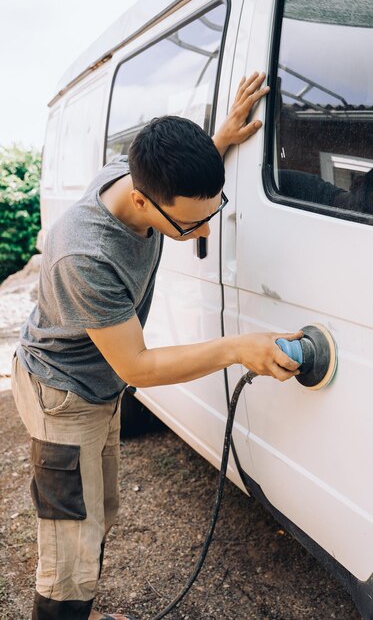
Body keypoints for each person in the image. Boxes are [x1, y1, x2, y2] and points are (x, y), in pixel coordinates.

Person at [11, 72, 302, 620]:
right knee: (69, 543)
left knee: (100, 513)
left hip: (97, 387)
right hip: (63, 394)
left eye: (211, 213)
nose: (203, 232)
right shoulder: (85, 255)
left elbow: (180, 188)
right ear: (143, 203)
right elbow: (138, 366)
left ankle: (82, 610)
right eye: (191, 225)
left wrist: (217, 142)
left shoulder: (138, 175)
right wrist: (237, 348)